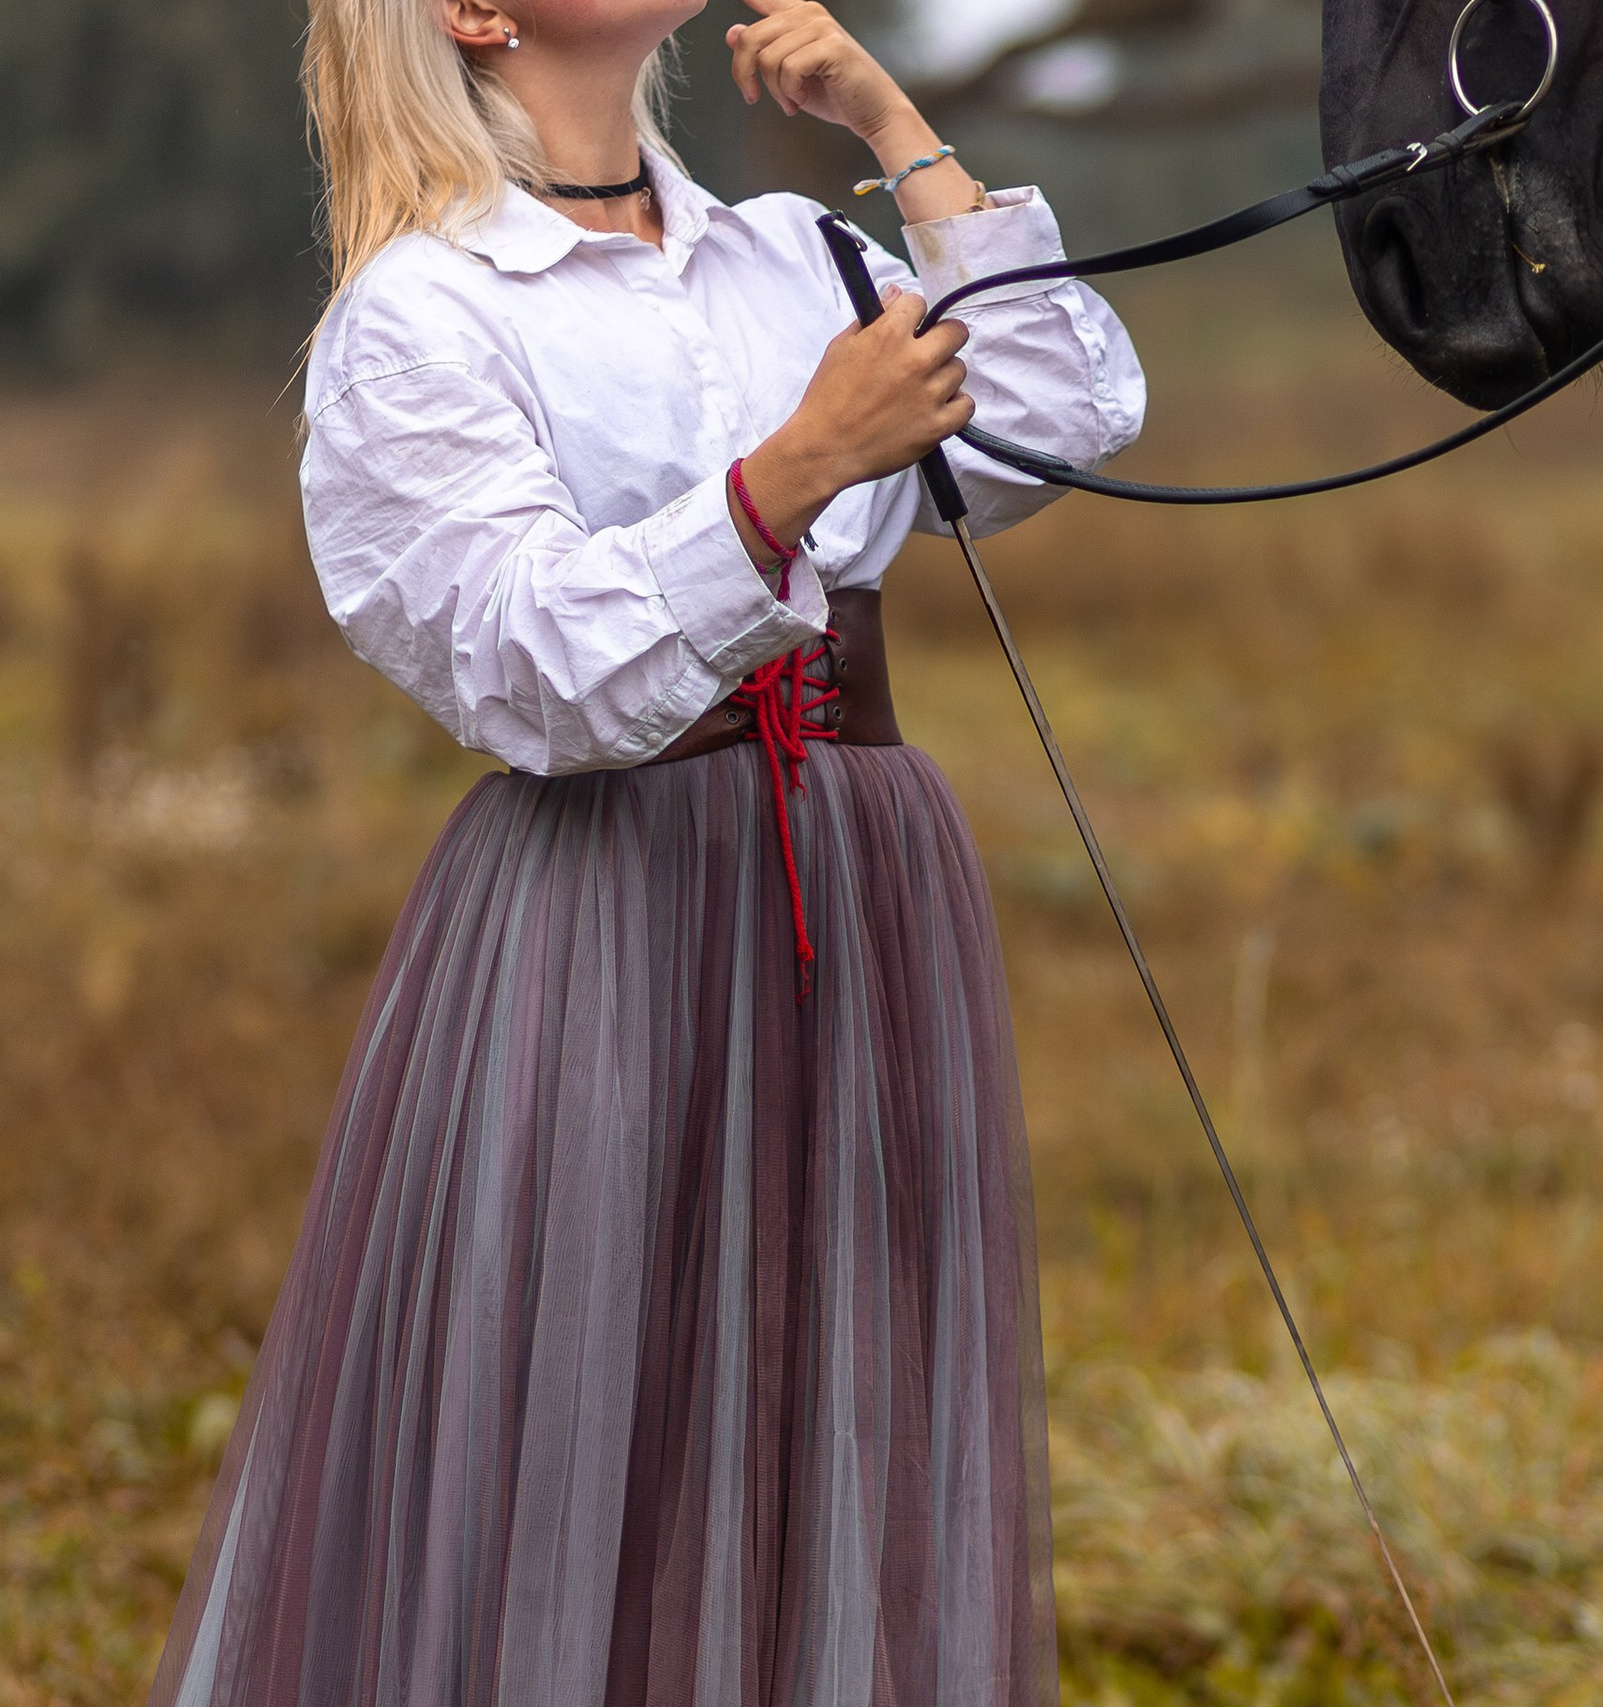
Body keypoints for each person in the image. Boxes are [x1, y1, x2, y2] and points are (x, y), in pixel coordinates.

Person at [145, 0, 1143, 1698]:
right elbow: (531, 660)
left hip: (862, 876)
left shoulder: (787, 253)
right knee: (584, 1410)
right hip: (607, 904)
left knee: (837, 1399)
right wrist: (798, 466)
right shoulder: (423, 310)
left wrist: (901, 133)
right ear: (471, 12)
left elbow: (1058, 415)